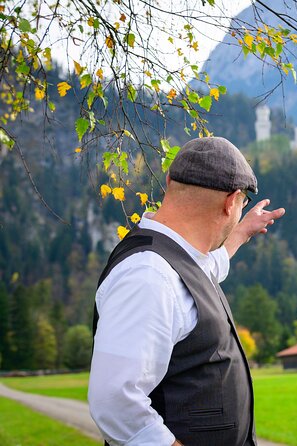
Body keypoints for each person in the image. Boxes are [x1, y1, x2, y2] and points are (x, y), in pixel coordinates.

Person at [89, 137, 285, 446]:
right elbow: (114, 400)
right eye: (241, 205)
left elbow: (200, 275)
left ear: (169, 181)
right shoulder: (148, 274)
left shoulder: (173, 261)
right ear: (230, 202)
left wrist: (239, 235)